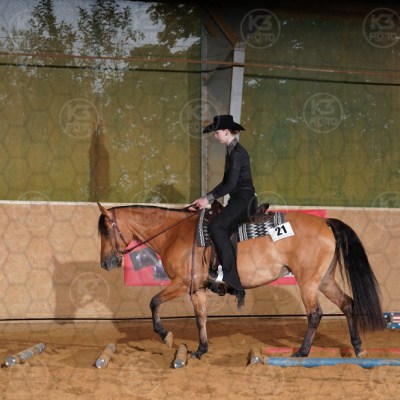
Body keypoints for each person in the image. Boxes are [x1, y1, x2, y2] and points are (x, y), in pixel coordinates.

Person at [192, 114, 257, 303]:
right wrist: (205, 198)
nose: (215, 135)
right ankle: (219, 269)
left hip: (244, 199)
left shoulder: (237, 153)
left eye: (217, 132)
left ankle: (231, 278)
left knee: (216, 226)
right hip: (238, 199)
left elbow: (229, 185)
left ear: (226, 131)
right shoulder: (232, 152)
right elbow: (225, 183)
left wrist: (207, 199)